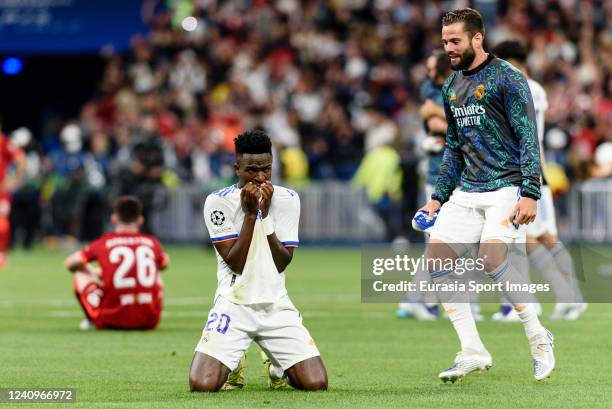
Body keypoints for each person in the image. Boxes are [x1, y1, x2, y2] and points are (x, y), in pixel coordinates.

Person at [419, 8, 555, 382]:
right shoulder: (451, 86)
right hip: (468, 189)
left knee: (491, 257)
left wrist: (530, 192)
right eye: (445, 41)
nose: (448, 47)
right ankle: (472, 350)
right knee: (437, 258)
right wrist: (437, 198)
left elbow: (528, 136)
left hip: (507, 185)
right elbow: (454, 148)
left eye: (455, 41)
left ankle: (538, 336)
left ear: (477, 38)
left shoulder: (507, 78)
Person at [189, 129, 327, 392]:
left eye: (266, 169)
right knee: (201, 385)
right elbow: (235, 262)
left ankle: (275, 365)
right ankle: (236, 358)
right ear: (237, 168)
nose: (261, 177)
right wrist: (251, 215)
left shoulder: (288, 199)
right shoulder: (218, 203)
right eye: (252, 170)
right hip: (234, 304)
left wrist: (266, 217)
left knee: (316, 384)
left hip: (276, 305)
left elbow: (282, 261)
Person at [491, 40, 586, 322]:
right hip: (532, 170)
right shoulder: (536, 89)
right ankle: (566, 295)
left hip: (528, 173)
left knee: (539, 237)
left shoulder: (520, 87)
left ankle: (563, 298)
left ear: (508, 61)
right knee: (533, 239)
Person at [64, 196, 169, 330]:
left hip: (111, 319)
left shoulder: (104, 243)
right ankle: (149, 308)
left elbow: (69, 263)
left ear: (113, 219)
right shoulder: (152, 242)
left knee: (80, 272)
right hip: (149, 321)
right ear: (140, 220)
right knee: (157, 270)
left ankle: (91, 319)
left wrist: (95, 272)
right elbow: (165, 263)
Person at [0, 128, 27, 266]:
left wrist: (14, 181)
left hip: (1, 192)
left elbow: (21, 160)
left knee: (2, 223)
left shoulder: (4, 142)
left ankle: (2, 253)